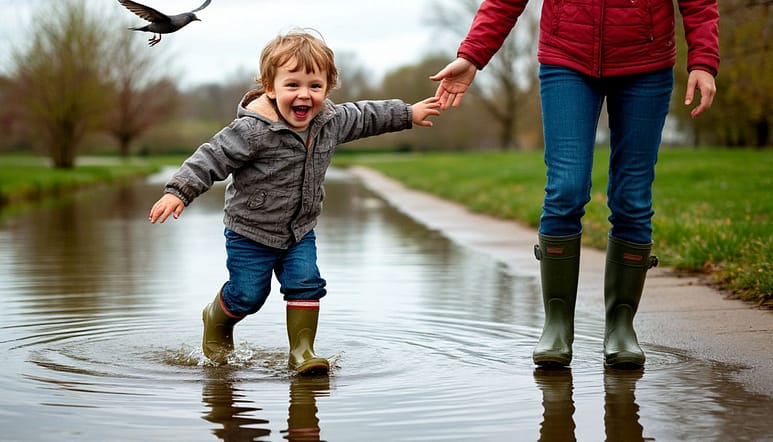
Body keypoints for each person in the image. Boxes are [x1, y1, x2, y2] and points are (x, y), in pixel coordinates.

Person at [431, 0, 719, 368]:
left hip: (646, 62)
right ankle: (556, 325)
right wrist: (473, 54)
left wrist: (704, 60)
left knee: (632, 197)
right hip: (567, 57)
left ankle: (621, 327)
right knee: (565, 189)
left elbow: (700, 3)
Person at [149, 29, 440, 374]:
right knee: (248, 296)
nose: (304, 95)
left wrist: (407, 113)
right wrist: (178, 191)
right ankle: (217, 319)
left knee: (306, 283)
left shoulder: (330, 123)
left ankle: (302, 353)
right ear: (270, 88)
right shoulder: (252, 130)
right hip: (250, 232)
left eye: (315, 86)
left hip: (299, 231)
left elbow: (366, 116)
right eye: (293, 86)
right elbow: (211, 157)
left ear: (327, 88)